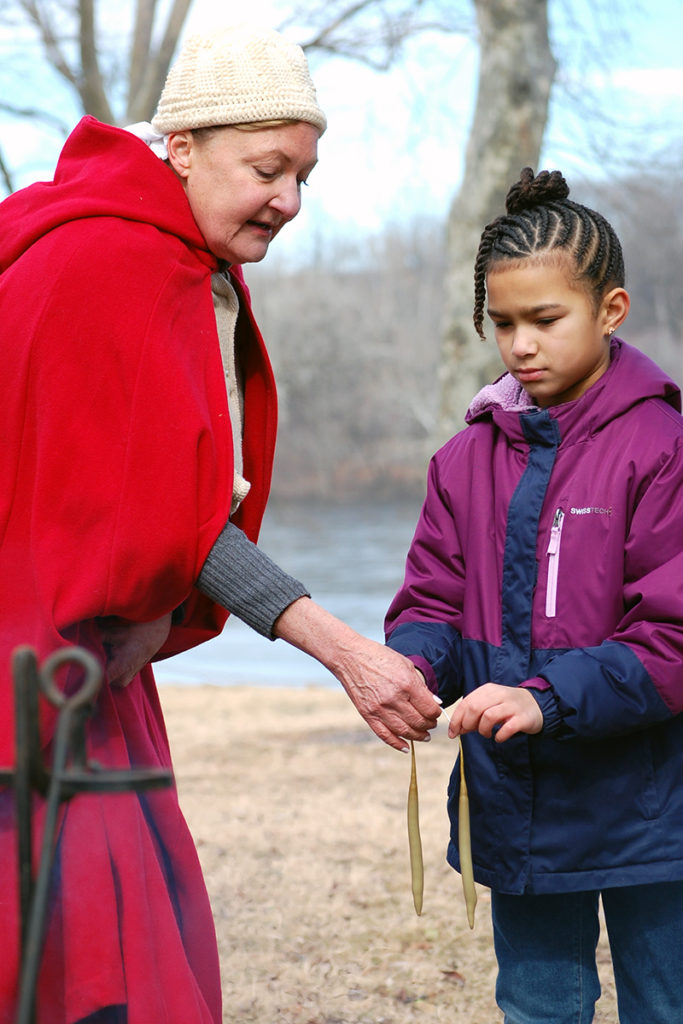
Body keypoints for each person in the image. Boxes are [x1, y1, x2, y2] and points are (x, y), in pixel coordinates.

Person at [0, 25, 439, 1024]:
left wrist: (152, 605)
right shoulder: (111, 261)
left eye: (303, 175)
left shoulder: (130, 245)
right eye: (266, 168)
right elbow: (164, 517)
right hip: (38, 686)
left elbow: (143, 506)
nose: (287, 200)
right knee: (103, 975)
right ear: (183, 147)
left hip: (78, 668)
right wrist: (348, 654)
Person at [385, 167, 683, 1024]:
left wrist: (544, 697)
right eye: (503, 323)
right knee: (536, 1006)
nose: (521, 344)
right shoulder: (461, 460)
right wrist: (411, 667)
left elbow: (669, 639)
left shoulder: (661, 447)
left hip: (650, 814)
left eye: (545, 320)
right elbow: (430, 602)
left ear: (610, 311)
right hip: (515, 804)